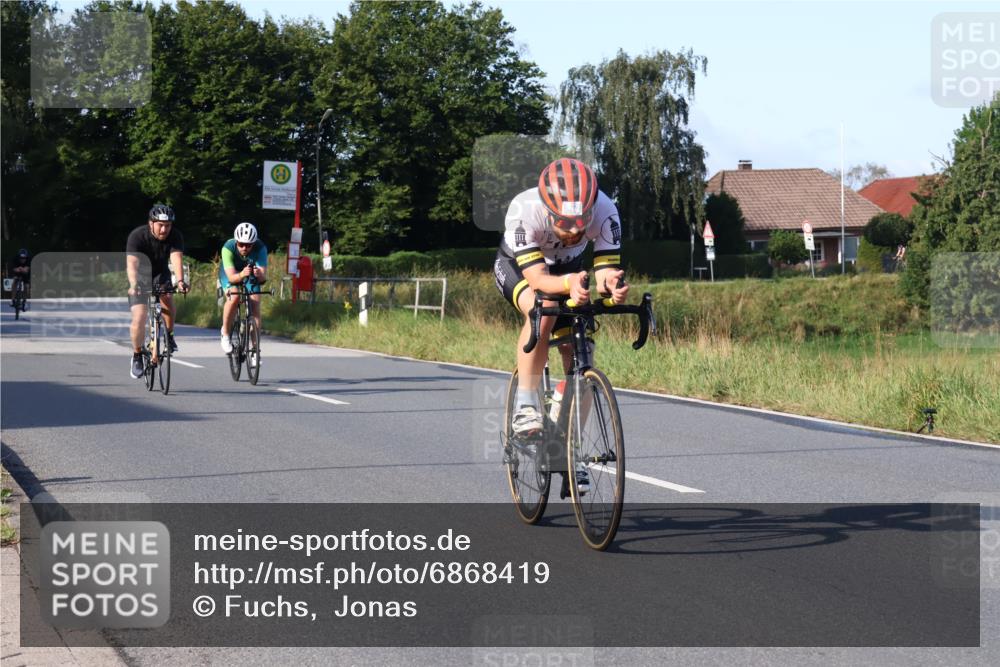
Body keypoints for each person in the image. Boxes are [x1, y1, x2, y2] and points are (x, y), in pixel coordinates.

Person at [494, 158, 629, 487]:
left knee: (581, 354)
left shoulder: (606, 210)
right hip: (521, 268)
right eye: (564, 223)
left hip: (569, 271)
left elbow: (605, 268)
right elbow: (539, 279)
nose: (573, 231)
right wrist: (568, 284)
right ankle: (526, 404)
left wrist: (611, 285)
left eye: (581, 222)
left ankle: (567, 448)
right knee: (542, 311)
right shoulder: (524, 210)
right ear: (548, 210)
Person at [126, 204, 188, 379]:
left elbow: (176, 259)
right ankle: (137, 355)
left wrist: (181, 281)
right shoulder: (137, 236)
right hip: (140, 277)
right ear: (151, 223)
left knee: (168, 296)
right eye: (160, 225)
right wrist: (133, 284)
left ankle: (169, 335)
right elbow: (132, 264)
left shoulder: (175, 236)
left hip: (161, 275)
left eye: (168, 225)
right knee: (139, 316)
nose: (164, 229)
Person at [219, 222, 267, 354]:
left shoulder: (260, 248)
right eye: (241, 244)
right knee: (234, 297)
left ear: (254, 243)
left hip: (249, 273)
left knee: (255, 305)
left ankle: (255, 350)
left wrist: (259, 274)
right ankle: (225, 333)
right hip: (231, 273)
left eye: (248, 245)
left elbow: (263, 279)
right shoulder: (228, 248)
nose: (244, 248)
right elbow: (232, 278)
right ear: (236, 242)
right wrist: (241, 274)